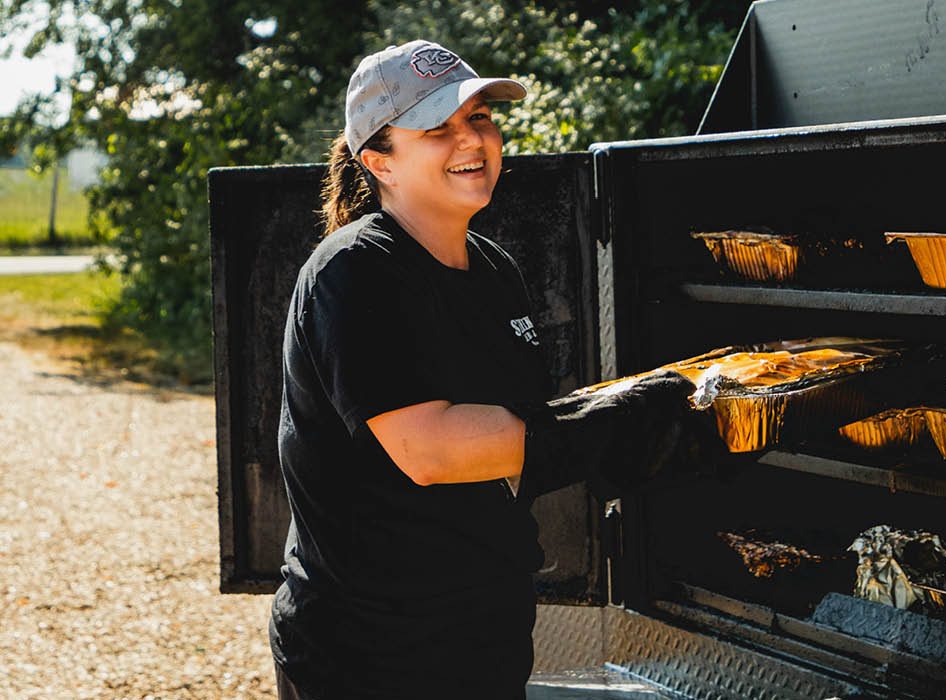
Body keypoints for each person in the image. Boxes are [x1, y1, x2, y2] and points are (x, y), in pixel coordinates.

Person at [270, 40, 709, 699]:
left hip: (481, 632)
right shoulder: (354, 270)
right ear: (378, 161)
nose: (472, 140)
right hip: (369, 652)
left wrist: (623, 432)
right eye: (438, 127)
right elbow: (430, 449)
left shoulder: (495, 269)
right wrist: (598, 429)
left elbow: (515, 430)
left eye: (480, 118)